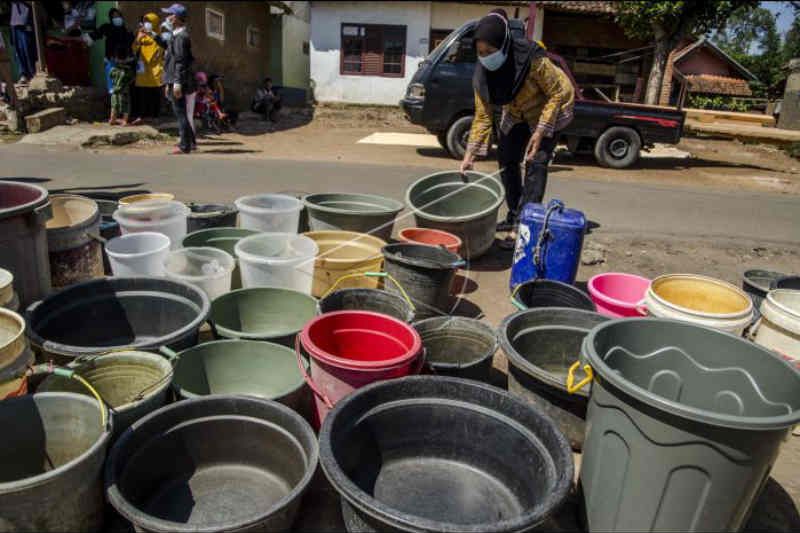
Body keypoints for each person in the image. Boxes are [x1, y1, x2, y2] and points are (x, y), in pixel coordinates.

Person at [460, 9, 574, 249]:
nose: (486, 57)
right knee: (506, 159)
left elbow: (557, 92)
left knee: (536, 162)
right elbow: (483, 116)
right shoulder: (482, 76)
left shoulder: (532, 59)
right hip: (515, 112)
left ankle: (525, 226)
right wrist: (470, 154)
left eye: (490, 52)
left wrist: (541, 132)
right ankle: (514, 214)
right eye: (480, 53)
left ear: (504, 45)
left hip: (550, 105)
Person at [161, 3, 196, 154]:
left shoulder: (181, 37)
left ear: (176, 18)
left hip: (178, 80)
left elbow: (180, 62)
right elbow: (171, 56)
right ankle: (191, 142)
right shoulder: (176, 35)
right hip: (174, 78)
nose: (168, 17)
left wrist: (176, 83)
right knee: (180, 112)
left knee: (180, 113)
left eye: (170, 15)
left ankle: (185, 145)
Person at [86, 8, 134, 95]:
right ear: (111, 18)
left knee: (123, 85)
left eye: (118, 15)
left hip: (125, 62)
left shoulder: (126, 30)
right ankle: (113, 102)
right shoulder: (107, 28)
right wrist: (87, 39)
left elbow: (132, 44)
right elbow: (96, 34)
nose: (117, 18)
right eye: (114, 16)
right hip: (111, 59)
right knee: (112, 85)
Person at [132, 12, 165, 120]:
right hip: (143, 67)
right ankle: (142, 115)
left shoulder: (158, 36)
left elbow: (160, 50)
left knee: (154, 92)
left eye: (149, 21)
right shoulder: (141, 35)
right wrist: (138, 39)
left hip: (154, 67)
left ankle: (154, 115)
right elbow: (134, 49)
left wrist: (151, 60)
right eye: (145, 21)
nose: (146, 24)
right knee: (142, 91)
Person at [108, 45, 135, 125]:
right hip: (124, 90)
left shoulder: (113, 69)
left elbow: (110, 77)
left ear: (115, 58)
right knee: (126, 106)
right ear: (126, 58)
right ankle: (124, 120)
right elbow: (132, 79)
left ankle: (112, 119)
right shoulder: (128, 70)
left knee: (114, 105)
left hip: (115, 90)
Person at [10, 1, 36, 83]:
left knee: (28, 49)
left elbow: (33, 4)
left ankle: (33, 74)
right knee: (18, 51)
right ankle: (23, 75)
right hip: (15, 23)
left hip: (25, 22)